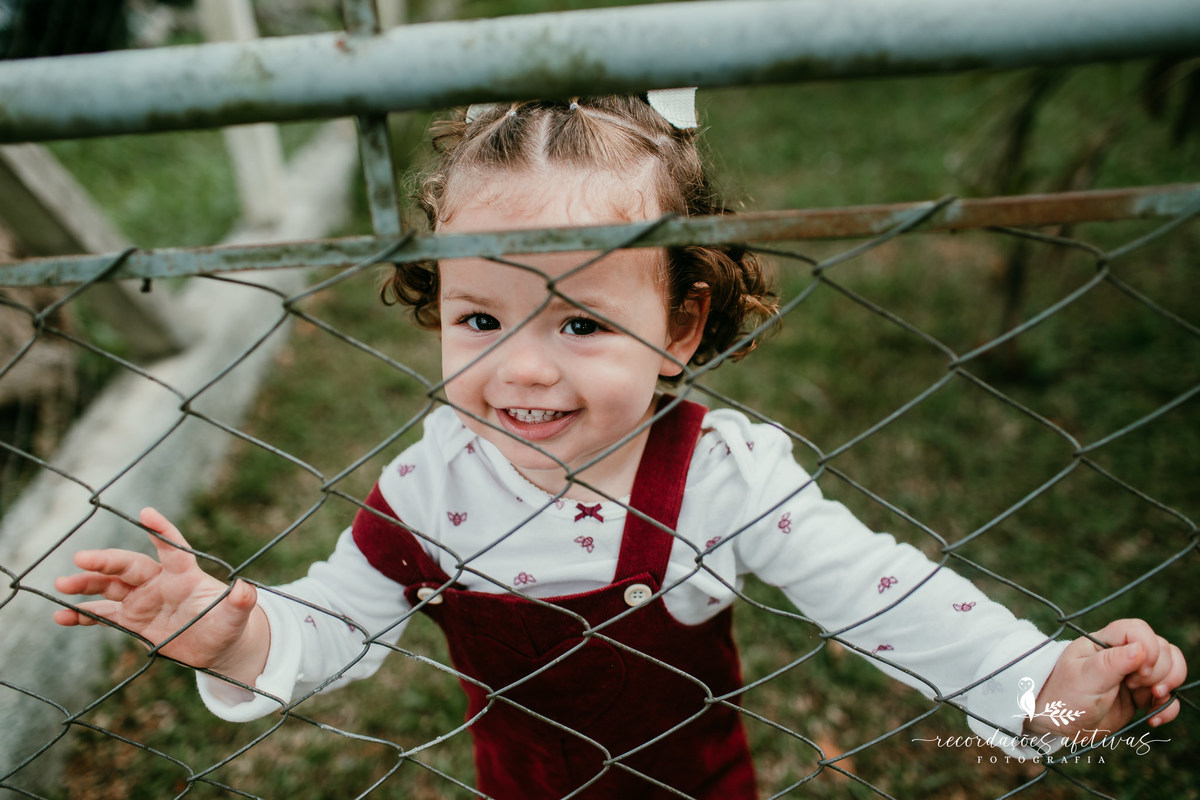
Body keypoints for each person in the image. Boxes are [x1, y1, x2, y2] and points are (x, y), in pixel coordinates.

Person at [54, 93, 1186, 799]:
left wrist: (1042, 686)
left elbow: (883, 593)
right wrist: (233, 630)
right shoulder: (432, 482)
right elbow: (336, 624)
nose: (525, 368)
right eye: (480, 318)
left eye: (582, 320)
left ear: (680, 327)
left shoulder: (719, 474)